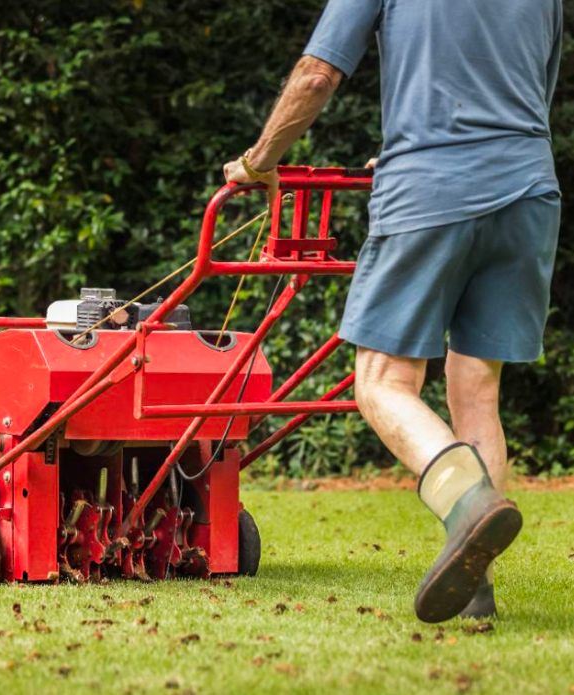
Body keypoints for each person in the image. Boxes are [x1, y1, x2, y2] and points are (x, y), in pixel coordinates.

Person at [224, 0, 563, 623]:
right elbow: (529, 95)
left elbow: (317, 76)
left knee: (382, 382)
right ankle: (475, 589)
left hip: (432, 187)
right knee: (477, 391)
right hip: (530, 191)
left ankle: (468, 504)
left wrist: (259, 160)